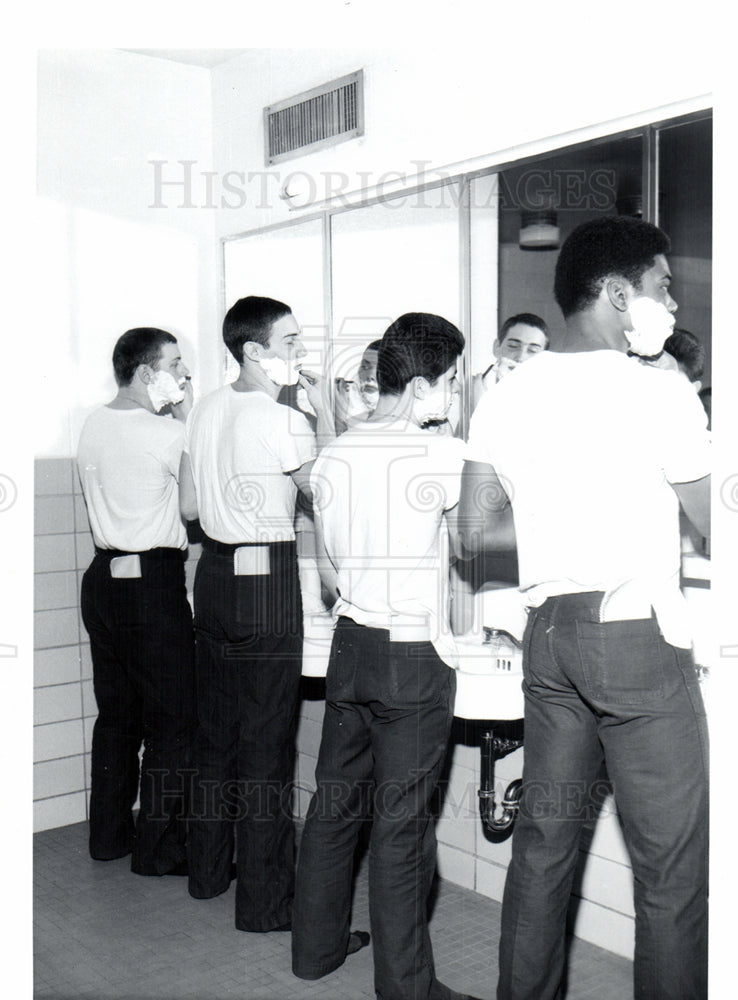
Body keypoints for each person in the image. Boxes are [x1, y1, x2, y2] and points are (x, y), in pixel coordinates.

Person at [460, 216, 710, 1000]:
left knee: (541, 853)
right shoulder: (660, 391)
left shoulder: (507, 392)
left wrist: (548, 524)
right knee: (669, 875)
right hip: (634, 641)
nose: (671, 303)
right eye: (662, 286)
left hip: (550, 636)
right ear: (615, 293)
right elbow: (717, 522)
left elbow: (471, 533)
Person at [291, 313, 483, 1000]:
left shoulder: (338, 450)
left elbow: (334, 560)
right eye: (454, 381)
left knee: (334, 805)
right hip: (409, 659)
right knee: (402, 833)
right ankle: (408, 989)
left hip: (350, 645)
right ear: (426, 381)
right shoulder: (442, 455)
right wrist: (478, 436)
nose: (455, 394)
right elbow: (474, 541)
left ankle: (313, 951)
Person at [180, 295, 332, 932]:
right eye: (291, 341)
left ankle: (209, 875)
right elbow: (329, 493)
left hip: (212, 573)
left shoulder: (205, 409)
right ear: (254, 351)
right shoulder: (280, 417)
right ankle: (267, 907)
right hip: (266, 578)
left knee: (215, 736)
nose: (300, 352)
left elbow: (188, 507)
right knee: (266, 745)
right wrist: (324, 418)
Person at [78, 327, 195, 875]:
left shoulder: (94, 422)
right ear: (148, 374)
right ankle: (159, 850)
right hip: (151, 582)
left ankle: (108, 838)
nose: (184, 376)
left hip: (103, 579)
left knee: (117, 715)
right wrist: (186, 423)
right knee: (173, 721)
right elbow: (194, 511)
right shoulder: (164, 433)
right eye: (177, 365)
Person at [471, 312, 549, 409]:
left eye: (532, 351)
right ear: (497, 347)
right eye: (513, 346)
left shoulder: (548, 399)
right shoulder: (468, 389)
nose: (521, 357)